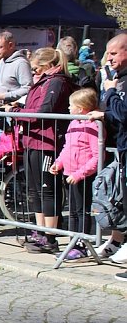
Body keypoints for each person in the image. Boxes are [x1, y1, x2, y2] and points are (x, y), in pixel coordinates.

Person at [21, 47, 75, 254]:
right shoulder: (43, 81)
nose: (34, 72)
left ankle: (50, 237)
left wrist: (17, 112)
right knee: (34, 190)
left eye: (37, 68)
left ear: (49, 65)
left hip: (48, 142)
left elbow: (45, 110)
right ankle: (40, 231)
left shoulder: (57, 82)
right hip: (33, 139)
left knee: (47, 189)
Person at [49, 88, 102, 261]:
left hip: (83, 176)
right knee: (72, 211)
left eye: (71, 106)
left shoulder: (93, 127)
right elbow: (67, 147)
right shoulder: (73, 123)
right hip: (69, 173)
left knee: (82, 212)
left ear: (81, 108)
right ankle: (73, 242)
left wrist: (80, 174)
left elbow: (97, 157)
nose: (68, 108)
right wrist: (58, 163)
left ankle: (82, 245)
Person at [92, 33, 127, 265]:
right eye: (108, 53)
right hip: (121, 146)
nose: (109, 58)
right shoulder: (117, 77)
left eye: (114, 53)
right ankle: (116, 240)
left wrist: (111, 91)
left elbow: (123, 113)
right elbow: (117, 115)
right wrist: (105, 114)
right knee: (120, 196)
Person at [0, 31, 33, 105]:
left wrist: (4, 96)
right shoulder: (2, 61)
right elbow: (1, 84)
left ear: (11, 45)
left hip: (13, 108)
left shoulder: (21, 63)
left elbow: (28, 88)